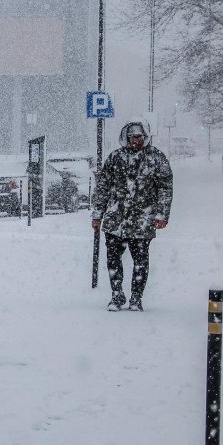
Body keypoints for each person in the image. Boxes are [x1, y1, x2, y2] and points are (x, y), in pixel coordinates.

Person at [91, 119, 173, 312]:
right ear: (125, 138)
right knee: (113, 259)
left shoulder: (156, 158)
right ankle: (117, 295)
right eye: (131, 137)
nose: (135, 140)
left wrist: (161, 214)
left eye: (138, 136)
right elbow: (103, 187)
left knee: (140, 261)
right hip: (115, 219)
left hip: (143, 219)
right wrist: (97, 214)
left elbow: (165, 188)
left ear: (145, 137)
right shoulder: (115, 158)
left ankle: (136, 298)